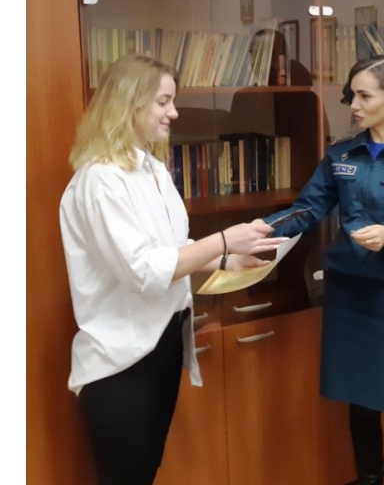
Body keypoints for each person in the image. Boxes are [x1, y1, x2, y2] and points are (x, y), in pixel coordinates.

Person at [59, 54, 286, 485]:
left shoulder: (154, 169)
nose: (174, 112)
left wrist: (228, 259)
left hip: (163, 343)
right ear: (128, 103)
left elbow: (172, 250)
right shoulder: (100, 180)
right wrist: (223, 240)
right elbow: (142, 272)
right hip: (121, 363)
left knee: (145, 471)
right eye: (163, 102)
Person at [262, 55, 384, 485]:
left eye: (365, 96)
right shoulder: (341, 154)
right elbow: (307, 209)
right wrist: (258, 232)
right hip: (347, 297)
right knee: (360, 396)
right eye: (352, 95)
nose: (354, 105)